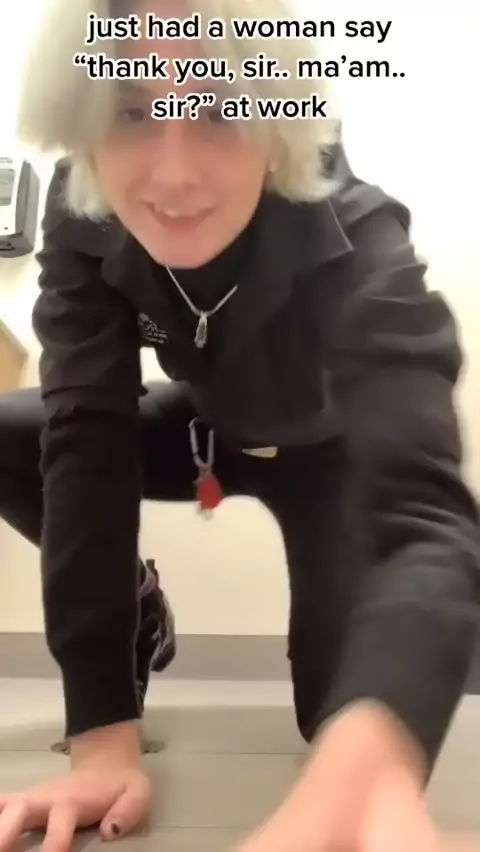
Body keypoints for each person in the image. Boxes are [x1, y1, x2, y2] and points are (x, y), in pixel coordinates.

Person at [1, 0, 479, 849]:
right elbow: (85, 444)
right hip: (203, 430)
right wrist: (101, 735)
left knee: (333, 716)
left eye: (222, 110)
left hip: (330, 457)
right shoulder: (84, 224)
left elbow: (424, 515)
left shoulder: (356, 232)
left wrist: (376, 748)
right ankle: (143, 608)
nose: (175, 175)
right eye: (133, 112)